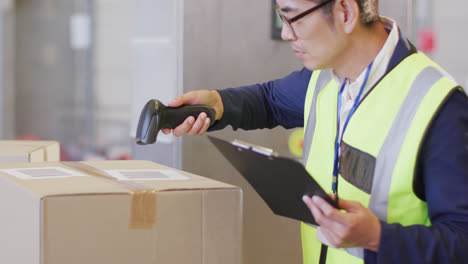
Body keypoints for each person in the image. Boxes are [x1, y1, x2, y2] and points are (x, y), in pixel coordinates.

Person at [163, 0, 468, 263]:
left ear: (345, 11)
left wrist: (377, 237)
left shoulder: (438, 105)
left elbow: (462, 241)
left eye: (293, 17)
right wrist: (218, 104)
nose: (285, 33)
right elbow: (269, 101)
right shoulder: (323, 80)